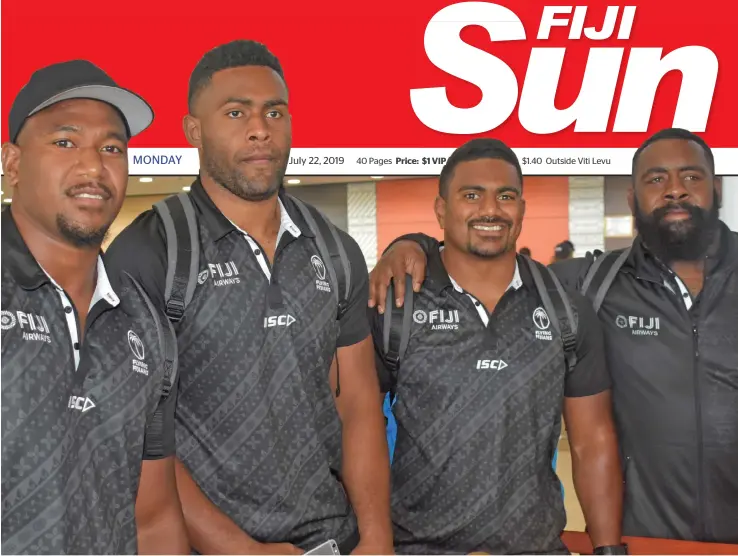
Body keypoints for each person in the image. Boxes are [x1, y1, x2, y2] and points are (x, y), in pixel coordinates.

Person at [369, 128, 738, 544]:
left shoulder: (565, 300)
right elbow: (357, 425)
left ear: (718, 188)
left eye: (691, 177)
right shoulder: (592, 284)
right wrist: (406, 245)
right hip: (648, 533)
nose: (675, 192)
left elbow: (591, 440)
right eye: (655, 179)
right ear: (632, 200)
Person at [105, 40, 393, 555]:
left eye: (274, 112)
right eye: (236, 113)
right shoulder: (150, 252)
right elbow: (134, 437)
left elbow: (360, 406)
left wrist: (375, 537)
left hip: (331, 538)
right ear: (194, 130)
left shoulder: (332, 249)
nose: (260, 128)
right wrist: (241, 550)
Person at [368, 138, 624, 554]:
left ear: (521, 210)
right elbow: (359, 430)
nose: (490, 210)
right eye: (472, 195)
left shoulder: (566, 310)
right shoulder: (396, 305)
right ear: (441, 210)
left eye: (505, 196)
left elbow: (591, 439)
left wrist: (609, 550)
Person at [1, 60, 189, 554]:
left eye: (111, 148)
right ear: (13, 164)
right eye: (65, 142)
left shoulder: (147, 324)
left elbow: (153, 517)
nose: (93, 166)